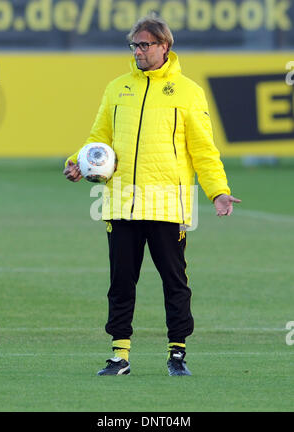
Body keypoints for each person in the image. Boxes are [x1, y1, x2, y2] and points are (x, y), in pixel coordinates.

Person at [63, 15, 241, 376]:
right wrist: (77, 162)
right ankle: (119, 355)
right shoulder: (117, 88)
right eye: (135, 45)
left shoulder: (189, 92)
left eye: (145, 45)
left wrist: (218, 191)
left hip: (166, 205)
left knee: (175, 282)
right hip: (121, 203)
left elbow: (203, 149)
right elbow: (99, 138)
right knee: (121, 282)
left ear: (165, 46)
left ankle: (177, 354)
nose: (139, 51)